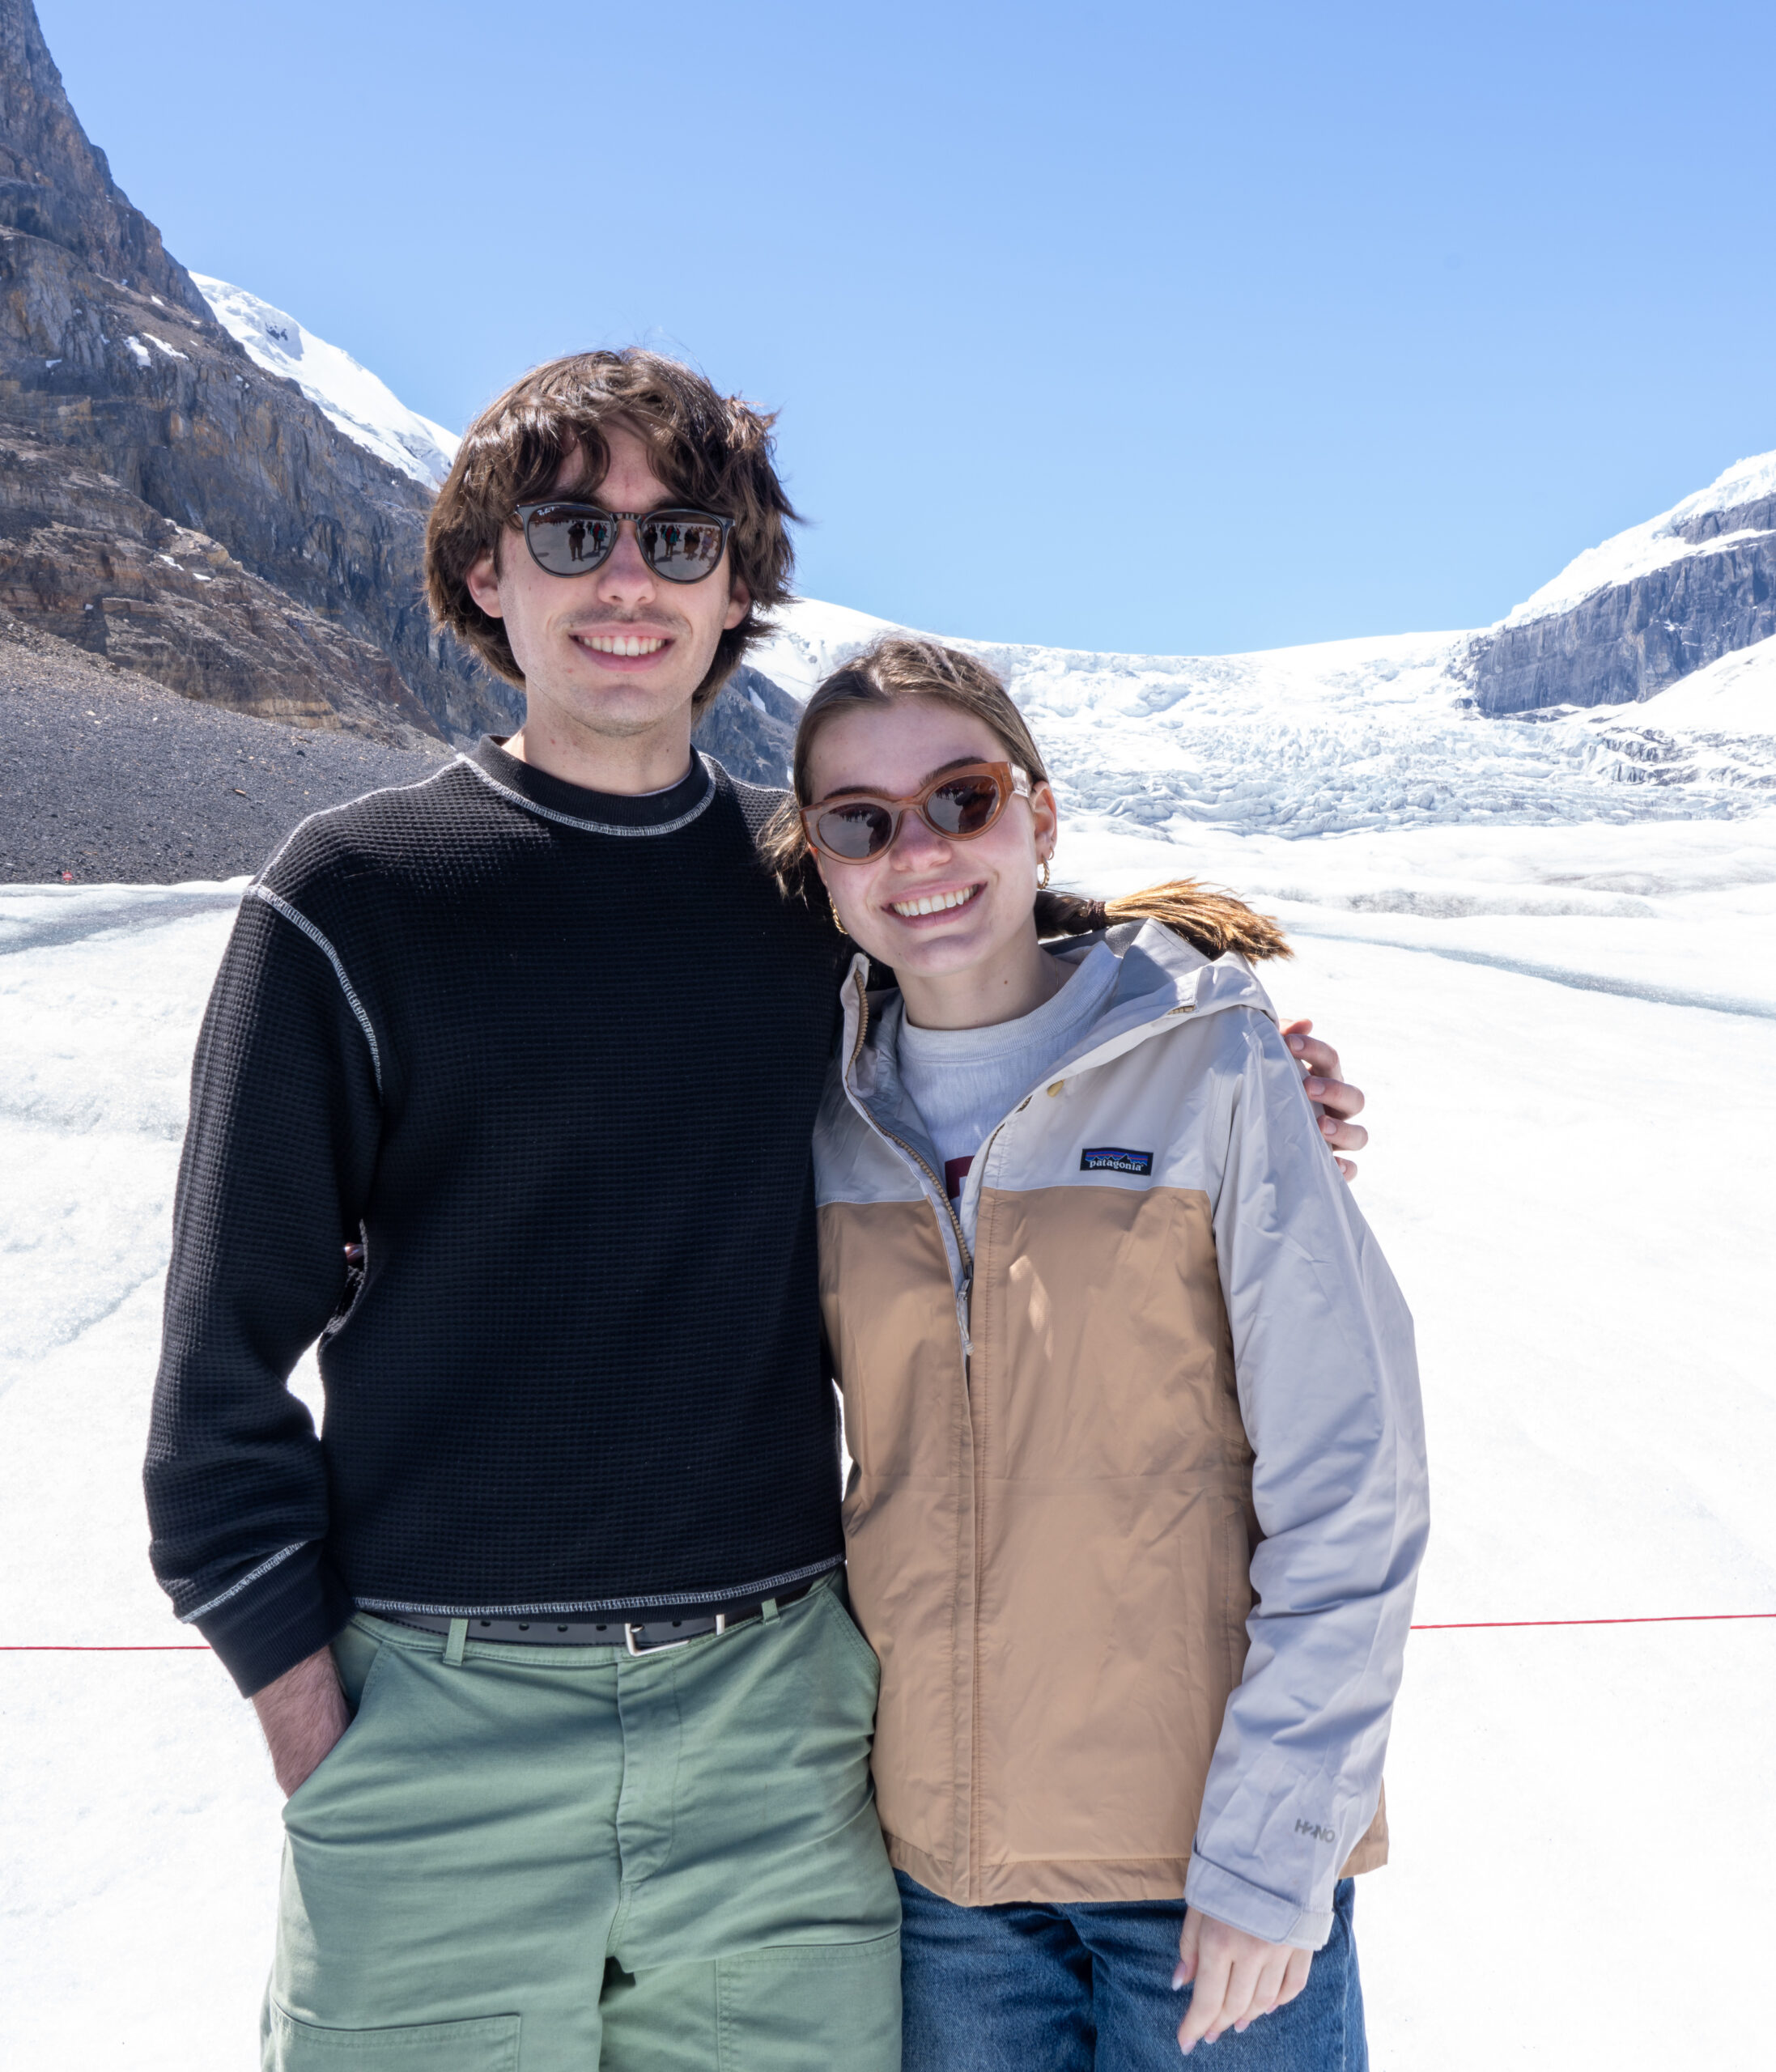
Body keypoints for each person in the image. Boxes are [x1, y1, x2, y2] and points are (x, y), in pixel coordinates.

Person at [142, 348, 1374, 2070]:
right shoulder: (350, 898)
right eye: (571, 532)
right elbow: (216, 1379)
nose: (627, 578)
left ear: (740, 586)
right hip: (439, 1717)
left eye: (681, 533)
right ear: (485, 574)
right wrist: (314, 1717)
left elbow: (997, 964)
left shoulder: (811, 904)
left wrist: (1231, 1059)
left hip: (778, 1728)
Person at [770, 634, 1428, 2069]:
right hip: (943, 1887)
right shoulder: (823, 1122)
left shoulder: (1215, 1066)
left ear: (1037, 814)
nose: (920, 850)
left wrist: (1276, 1854)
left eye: (962, 797)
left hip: (1200, 1874)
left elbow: (1350, 1482)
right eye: (860, 822)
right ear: (820, 862)